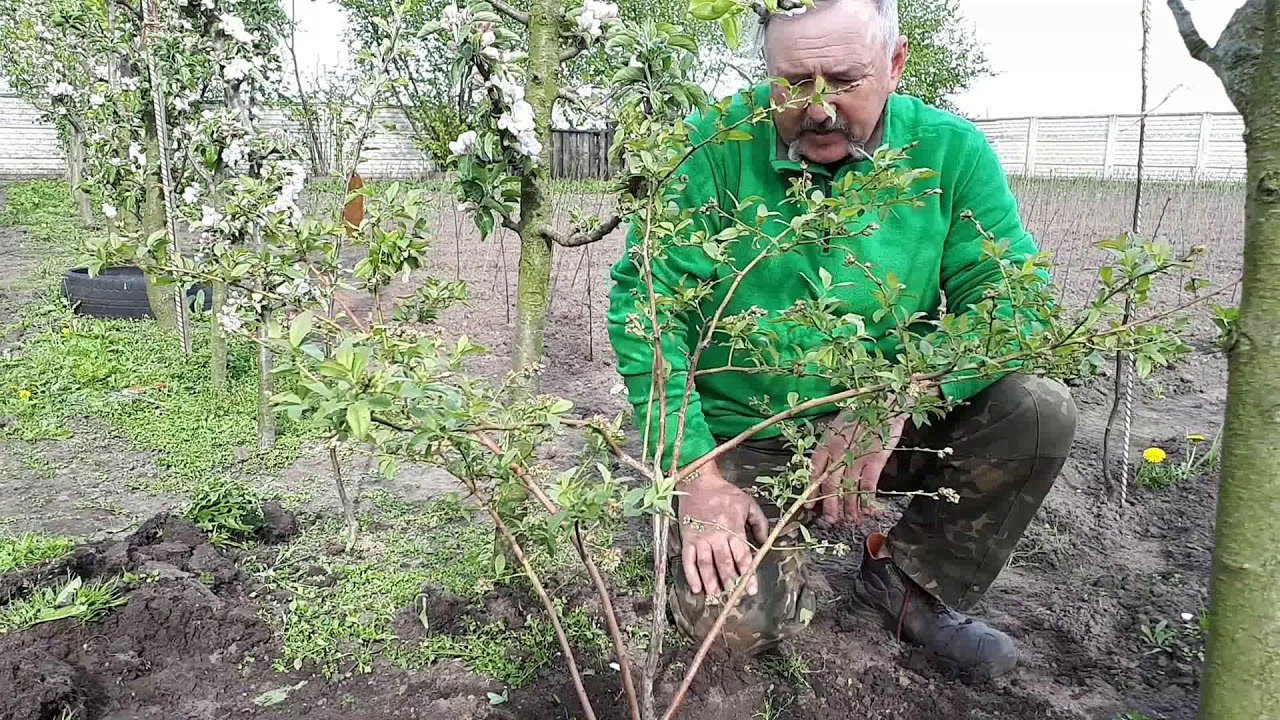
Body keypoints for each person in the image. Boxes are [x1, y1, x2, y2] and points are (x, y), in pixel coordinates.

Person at [603, 0, 1078, 682]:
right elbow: (646, 309)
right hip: (745, 430)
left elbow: (1017, 304)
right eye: (794, 84)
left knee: (1036, 410)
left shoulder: (949, 152)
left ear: (895, 62)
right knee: (735, 629)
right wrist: (697, 475)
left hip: (884, 420)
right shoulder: (711, 148)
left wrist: (895, 396)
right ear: (766, 71)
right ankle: (744, 530)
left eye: (845, 80)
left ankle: (907, 583)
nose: (818, 109)